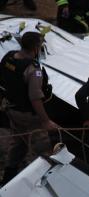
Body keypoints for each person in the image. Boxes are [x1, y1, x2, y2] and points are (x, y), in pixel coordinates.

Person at [0, 32, 57, 185]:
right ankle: (41, 183)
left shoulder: (9, 57)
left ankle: (7, 179)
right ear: (36, 48)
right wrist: (45, 121)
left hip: (11, 110)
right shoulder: (33, 69)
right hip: (29, 116)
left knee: (18, 143)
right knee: (42, 150)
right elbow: (35, 98)